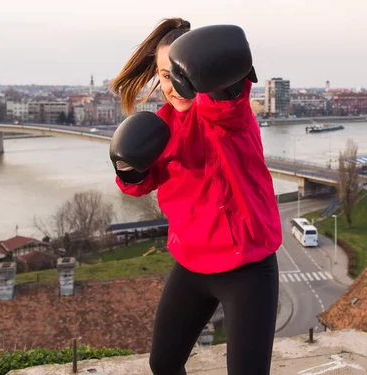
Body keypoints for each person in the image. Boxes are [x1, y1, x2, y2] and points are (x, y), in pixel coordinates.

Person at [109, 18, 282, 375]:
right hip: (190, 264)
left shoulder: (227, 116)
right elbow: (140, 184)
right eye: (164, 76)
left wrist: (222, 77)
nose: (172, 87)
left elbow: (228, 103)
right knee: (164, 363)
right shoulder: (161, 126)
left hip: (245, 268)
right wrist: (128, 167)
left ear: (197, 73)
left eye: (179, 74)